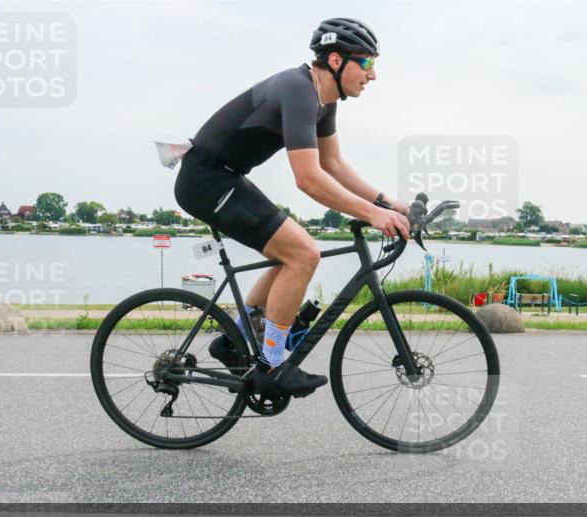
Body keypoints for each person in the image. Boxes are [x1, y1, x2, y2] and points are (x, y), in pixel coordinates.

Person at [173, 18, 410, 397]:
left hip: (224, 176)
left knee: (291, 251)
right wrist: (373, 214)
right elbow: (308, 178)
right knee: (303, 253)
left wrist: (386, 202)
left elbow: (333, 164)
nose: (373, 75)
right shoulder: (298, 89)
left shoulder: (323, 101)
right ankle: (272, 365)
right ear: (336, 60)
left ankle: (234, 340)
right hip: (206, 180)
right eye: (367, 63)